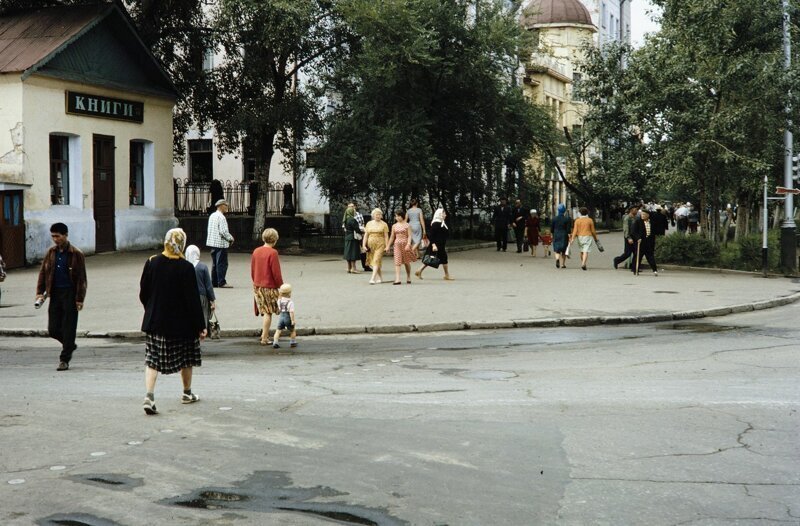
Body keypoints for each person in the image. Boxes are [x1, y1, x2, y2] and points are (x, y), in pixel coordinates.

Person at [139, 228, 207, 415]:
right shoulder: (186, 267)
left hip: (156, 321)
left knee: (152, 359)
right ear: (181, 244)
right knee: (186, 358)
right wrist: (201, 326)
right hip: (182, 324)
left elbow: (143, 292)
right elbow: (192, 300)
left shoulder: (152, 262)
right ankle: (187, 393)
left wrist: (151, 308)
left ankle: (149, 396)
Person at [36, 223, 87, 371]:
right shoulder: (51, 252)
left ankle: (64, 359)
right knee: (53, 328)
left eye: (57, 236)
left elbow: (81, 278)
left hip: (70, 294)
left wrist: (79, 299)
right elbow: (43, 273)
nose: (55, 239)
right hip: (55, 293)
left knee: (69, 326)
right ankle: (69, 344)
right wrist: (40, 291)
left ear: (65, 235)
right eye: (53, 236)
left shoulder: (76, 253)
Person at [251, 228, 284, 345]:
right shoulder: (273, 253)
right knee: (268, 312)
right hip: (269, 286)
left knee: (264, 311)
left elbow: (253, 269)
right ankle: (264, 338)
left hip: (258, 285)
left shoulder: (256, 251)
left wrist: (255, 281)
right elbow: (276, 272)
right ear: (274, 240)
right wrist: (281, 285)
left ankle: (263, 335)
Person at [415, 208, 453, 280]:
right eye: (443, 213)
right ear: (439, 214)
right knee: (443, 259)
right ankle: (446, 275)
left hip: (440, 245)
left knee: (430, 259)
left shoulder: (442, 223)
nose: (445, 215)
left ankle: (419, 270)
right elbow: (431, 236)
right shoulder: (436, 223)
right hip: (436, 245)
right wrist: (433, 245)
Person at [185, 245, 215, 331]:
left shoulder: (185, 266)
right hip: (202, 296)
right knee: (203, 315)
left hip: (188, 296)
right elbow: (208, 285)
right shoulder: (202, 267)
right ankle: (202, 331)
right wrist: (212, 300)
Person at [206, 199, 234, 288]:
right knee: (222, 263)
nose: (227, 207)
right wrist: (230, 238)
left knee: (215, 263)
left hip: (213, 243)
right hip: (221, 244)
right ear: (221, 206)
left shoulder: (212, 215)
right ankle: (221, 282)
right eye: (226, 206)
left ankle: (214, 282)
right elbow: (223, 231)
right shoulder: (221, 217)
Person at [387, 209, 416, 284]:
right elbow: (392, 237)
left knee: (406, 262)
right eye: (396, 216)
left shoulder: (407, 225)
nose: (397, 218)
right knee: (397, 261)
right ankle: (398, 279)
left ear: (402, 216)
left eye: (398, 216)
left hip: (405, 243)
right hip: (397, 244)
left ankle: (408, 276)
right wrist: (388, 246)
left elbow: (409, 236)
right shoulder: (394, 226)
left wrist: (408, 244)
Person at [362, 208, 389, 284]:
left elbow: (386, 236)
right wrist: (364, 245)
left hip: (380, 244)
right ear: (373, 215)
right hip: (371, 245)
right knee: (375, 261)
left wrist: (387, 246)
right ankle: (380, 278)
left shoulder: (384, 224)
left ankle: (372, 278)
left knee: (376, 260)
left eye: (379, 214)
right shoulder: (369, 223)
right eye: (376, 214)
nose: (378, 216)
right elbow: (366, 235)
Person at [631, 209, 658, 276]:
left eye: (644, 214)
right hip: (640, 242)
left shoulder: (651, 222)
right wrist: (638, 238)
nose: (642, 216)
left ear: (648, 215)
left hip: (649, 242)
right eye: (642, 214)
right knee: (638, 256)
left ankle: (654, 270)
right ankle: (635, 270)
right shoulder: (638, 221)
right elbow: (633, 232)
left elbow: (654, 232)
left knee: (650, 256)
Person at [613, 205, 639, 270]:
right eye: (635, 209)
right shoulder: (627, 218)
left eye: (637, 210)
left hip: (635, 237)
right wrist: (628, 238)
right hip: (629, 237)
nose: (636, 211)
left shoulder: (637, 217)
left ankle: (634, 267)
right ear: (631, 210)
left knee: (636, 252)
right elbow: (626, 228)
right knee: (628, 253)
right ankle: (617, 260)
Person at [272, 283, 297, 349]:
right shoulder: (290, 302)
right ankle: (293, 342)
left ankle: (275, 342)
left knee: (278, 330)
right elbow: (291, 312)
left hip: (281, 317)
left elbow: (279, 300)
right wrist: (292, 320)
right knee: (292, 330)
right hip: (287, 317)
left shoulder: (279, 301)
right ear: (289, 293)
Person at [551, 204, 572, 269]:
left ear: (558, 210)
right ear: (564, 211)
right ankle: (563, 264)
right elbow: (568, 230)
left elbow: (552, 229)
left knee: (557, 249)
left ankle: (557, 259)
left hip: (556, 234)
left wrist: (552, 235)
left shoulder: (554, 219)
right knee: (564, 250)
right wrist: (570, 237)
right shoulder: (567, 219)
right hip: (564, 235)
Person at [342, 206, 362, 273]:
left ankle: (349, 268)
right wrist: (362, 232)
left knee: (348, 253)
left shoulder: (345, 219)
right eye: (354, 211)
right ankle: (353, 268)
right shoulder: (352, 220)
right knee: (353, 253)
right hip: (353, 238)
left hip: (347, 237)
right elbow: (357, 229)